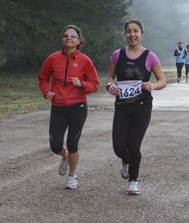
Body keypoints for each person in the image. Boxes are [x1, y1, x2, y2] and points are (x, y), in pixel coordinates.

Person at [106, 19, 166, 195]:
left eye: (135, 31)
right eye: (129, 31)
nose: (132, 35)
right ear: (125, 34)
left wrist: (152, 86)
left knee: (133, 145)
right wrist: (110, 86)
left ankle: (133, 181)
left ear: (142, 34)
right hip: (122, 107)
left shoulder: (150, 56)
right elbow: (109, 77)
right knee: (119, 147)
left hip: (142, 107)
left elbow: (162, 80)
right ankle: (125, 160)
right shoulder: (117, 55)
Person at [38, 25, 99, 190]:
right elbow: (43, 78)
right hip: (58, 106)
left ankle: (72, 176)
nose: (68, 38)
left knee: (73, 144)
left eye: (73, 36)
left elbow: (94, 85)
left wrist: (81, 84)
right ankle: (65, 157)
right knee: (55, 145)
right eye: (66, 35)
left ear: (79, 41)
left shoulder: (85, 60)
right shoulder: (52, 58)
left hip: (77, 107)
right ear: (62, 39)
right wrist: (46, 92)